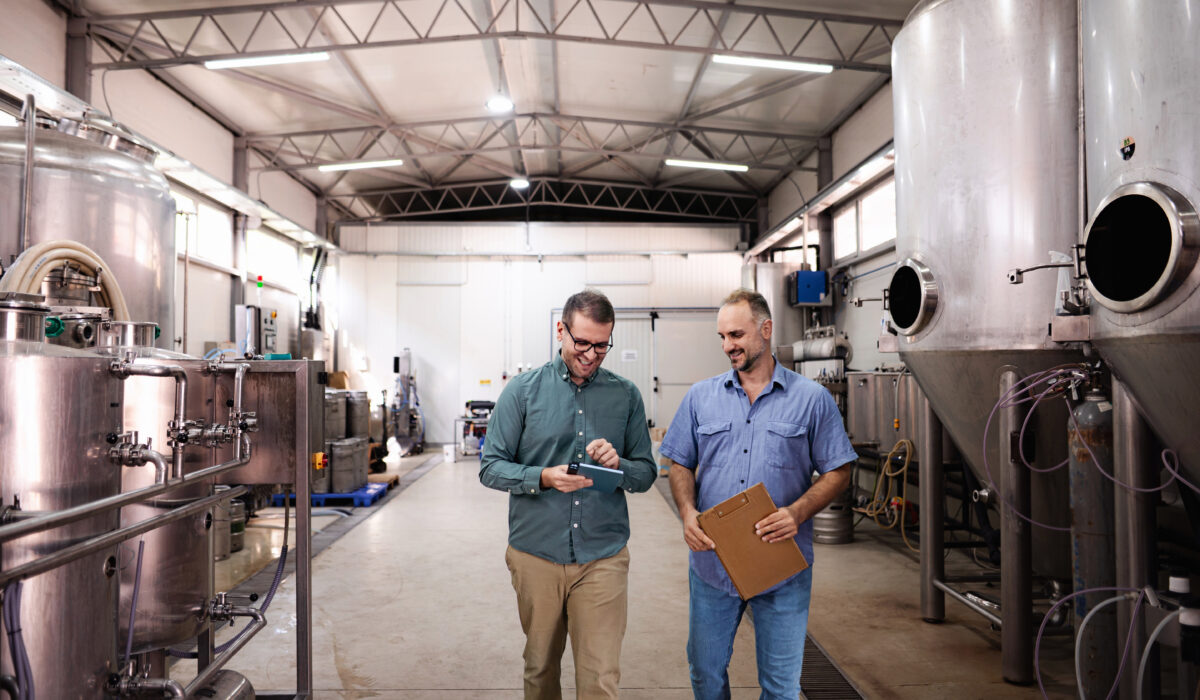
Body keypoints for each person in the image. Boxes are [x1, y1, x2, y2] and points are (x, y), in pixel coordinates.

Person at [659, 288, 856, 700]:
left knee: (781, 688)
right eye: (722, 337)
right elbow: (680, 463)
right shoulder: (700, 397)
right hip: (713, 563)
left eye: (736, 335)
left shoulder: (811, 400)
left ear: (765, 330)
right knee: (705, 673)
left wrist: (798, 512)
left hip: (782, 566)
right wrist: (687, 511)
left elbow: (839, 470)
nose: (728, 346)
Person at [480, 288, 657, 700]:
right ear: (560, 330)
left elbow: (646, 473)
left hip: (602, 555)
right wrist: (542, 477)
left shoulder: (626, 395)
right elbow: (491, 466)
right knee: (540, 670)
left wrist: (620, 465)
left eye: (602, 345)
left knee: (599, 679)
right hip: (536, 553)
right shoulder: (522, 392)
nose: (592, 354)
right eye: (582, 342)